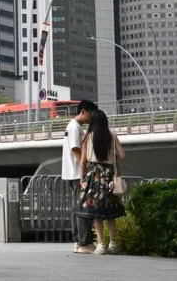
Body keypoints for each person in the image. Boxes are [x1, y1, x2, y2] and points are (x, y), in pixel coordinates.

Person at [78, 110, 126, 255]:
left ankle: (100, 245)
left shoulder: (88, 137)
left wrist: (82, 180)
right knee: (111, 211)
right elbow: (123, 155)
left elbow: (83, 161)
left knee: (96, 212)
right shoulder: (112, 136)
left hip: (94, 175)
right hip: (109, 176)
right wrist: (111, 154)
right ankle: (113, 243)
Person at [62, 99, 98, 254]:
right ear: (84, 111)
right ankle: (83, 242)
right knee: (83, 208)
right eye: (91, 114)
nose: (92, 118)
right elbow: (76, 149)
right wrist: (86, 167)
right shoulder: (75, 127)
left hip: (73, 172)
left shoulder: (73, 127)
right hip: (77, 173)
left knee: (77, 208)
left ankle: (79, 241)